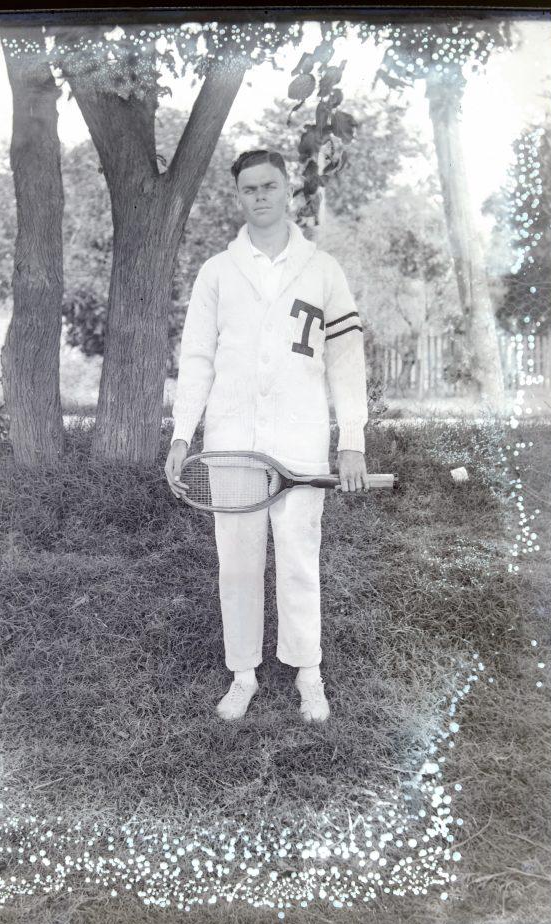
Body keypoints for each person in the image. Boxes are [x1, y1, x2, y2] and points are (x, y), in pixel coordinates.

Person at [165, 149, 369, 724]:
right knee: (237, 561)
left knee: (300, 559)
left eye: (270, 186)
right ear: (238, 197)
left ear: (288, 193)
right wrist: (183, 433)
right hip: (231, 442)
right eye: (248, 188)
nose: (260, 196)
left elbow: (345, 361)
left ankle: (308, 672)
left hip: (301, 439)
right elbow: (197, 358)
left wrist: (350, 437)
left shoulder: (323, 269)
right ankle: (243, 674)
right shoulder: (217, 272)